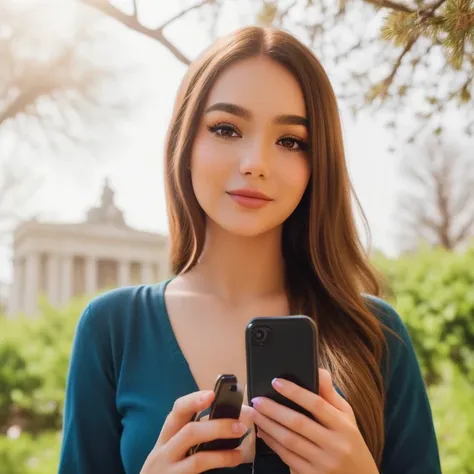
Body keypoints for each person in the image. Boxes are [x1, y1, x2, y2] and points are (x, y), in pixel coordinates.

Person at [58, 26, 442, 474]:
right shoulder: (113, 329)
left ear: (317, 164)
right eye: (226, 129)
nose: (255, 163)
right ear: (186, 143)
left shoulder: (375, 334)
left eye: (290, 141)